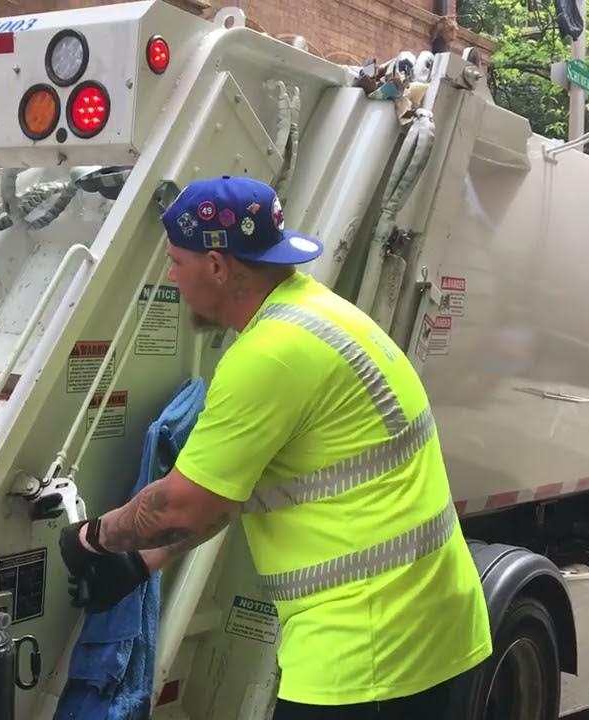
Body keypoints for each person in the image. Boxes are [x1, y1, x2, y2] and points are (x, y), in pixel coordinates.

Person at [58, 176, 492, 719]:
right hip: (427, 626)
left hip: (369, 647)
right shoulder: (317, 313)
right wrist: (143, 562)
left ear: (218, 266)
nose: (171, 277)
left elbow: (179, 505)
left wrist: (92, 538)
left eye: (176, 261)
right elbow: (225, 495)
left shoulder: (270, 355)